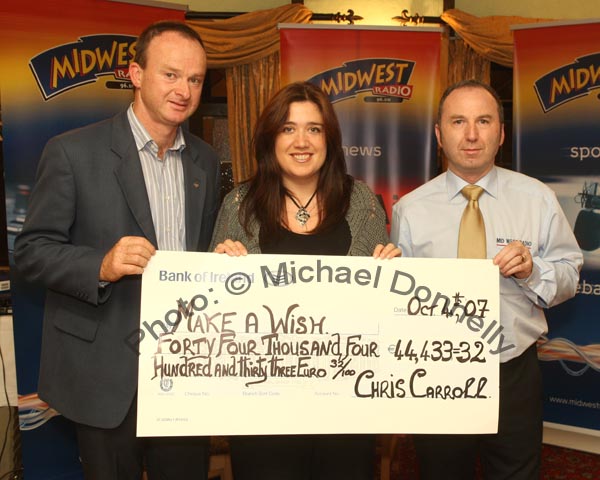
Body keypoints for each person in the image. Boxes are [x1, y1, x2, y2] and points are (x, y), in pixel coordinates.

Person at [14, 21, 221, 480]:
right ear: (136, 74)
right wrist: (101, 265)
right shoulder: (72, 152)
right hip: (104, 373)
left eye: (195, 79)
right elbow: (31, 251)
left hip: (183, 370)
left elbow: (200, 251)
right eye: (170, 74)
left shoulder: (204, 160)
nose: (184, 90)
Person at [390, 79, 583, 480]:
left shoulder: (537, 198)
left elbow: (569, 276)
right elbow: (398, 301)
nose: (472, 134)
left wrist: (534, 270)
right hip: (436, 373)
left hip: (512, 372)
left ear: (501, 133)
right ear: (439, 135)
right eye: (458, 121)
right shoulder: (410, 209)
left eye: (484, 120)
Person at [210, 81, 401, 480]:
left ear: (329, 139)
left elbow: (383, 316)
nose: (302, 141)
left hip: (346, 409)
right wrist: (217, 276)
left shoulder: (361, 202)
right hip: (262, 412)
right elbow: (214, 319)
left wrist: (390, 273)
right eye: (288, 128)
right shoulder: (238, 206)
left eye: (314, 129)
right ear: (270, 138)